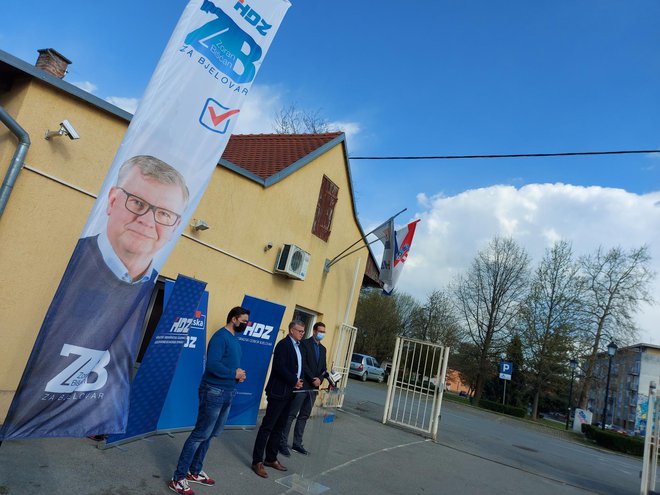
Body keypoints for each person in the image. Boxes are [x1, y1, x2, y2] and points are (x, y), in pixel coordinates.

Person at [0, 155, 189, 440]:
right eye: (137, 203)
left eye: (164, 214)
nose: (148, 221)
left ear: (175, 226)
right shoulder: (69, 262)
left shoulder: (147, 288)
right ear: (112, 201)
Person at [168, 307, 249, 495]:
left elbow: (228, 365)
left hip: (228, 391)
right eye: (244, 321)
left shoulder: (234, 340)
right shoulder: (221, 337)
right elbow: (212, 365)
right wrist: (232, 373)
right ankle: (178, 478)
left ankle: (194, 471)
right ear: (234, 319)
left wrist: (237, 376)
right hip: (214, 391)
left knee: (212, 433)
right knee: (200, 434)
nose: (246, 324)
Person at [251, 321, 305, 478]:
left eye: (303, 331)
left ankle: (271, 458)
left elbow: (299, 366)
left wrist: (299, 380)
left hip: (291, 392)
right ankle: (257, 462)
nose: (302, 333)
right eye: (300, 331)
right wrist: (294, 380)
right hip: (278, 392)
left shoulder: (299, 346)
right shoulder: (283, 345)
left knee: (279, 427)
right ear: (291, 330)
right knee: (267, 427)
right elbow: (280, 367)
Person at [280, 322, 327, 456]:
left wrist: (320, 379)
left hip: (314, 389)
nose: (322, 334)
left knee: (304, 416)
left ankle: (297, 443)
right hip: (303, 386)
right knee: (291, 414)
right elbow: (303, 364)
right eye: (320, 331)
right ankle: (282, 442)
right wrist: (313, 378)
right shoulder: (304, 344)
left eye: (324, 332)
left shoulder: (323, 349)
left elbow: (324, 368)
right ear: (314, 331)